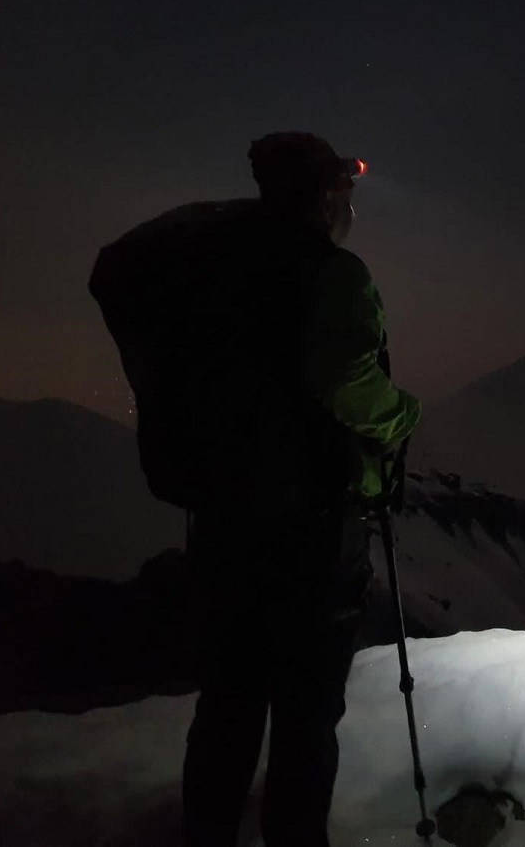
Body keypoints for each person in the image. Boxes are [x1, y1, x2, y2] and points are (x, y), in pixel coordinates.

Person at [92, 132, 420, 845]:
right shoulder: (330, 272)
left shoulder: (216, 270)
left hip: (221, 520)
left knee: (230, 701)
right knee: (305, 715)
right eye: (343, 190)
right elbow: (348, 385)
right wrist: (403, 415)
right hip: (311, 528)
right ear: (325, 194)